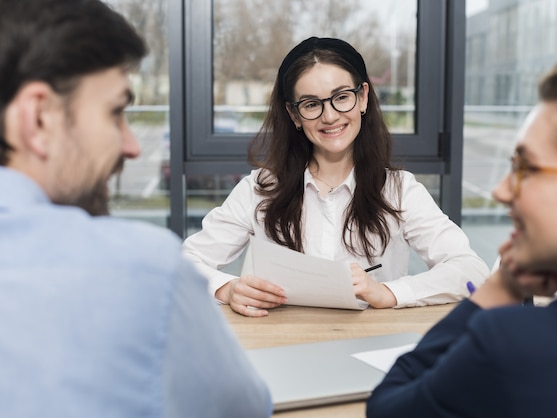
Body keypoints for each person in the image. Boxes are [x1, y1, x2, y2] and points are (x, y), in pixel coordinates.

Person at [0, 1, 271, 417]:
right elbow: (244, 409)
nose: (132, 145)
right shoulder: (142, 269)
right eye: (116, 112)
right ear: (38, 118)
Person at [367, 48, 557, 418]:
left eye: (527, 169)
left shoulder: (516, 344)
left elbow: (388, 410)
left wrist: (499, 290)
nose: (501, 190)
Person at [183, 36, 489, 317]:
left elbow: (470, 269)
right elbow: (184, 263)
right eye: (312, 104)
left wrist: (388, 292)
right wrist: (227, 288)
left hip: (370, 349)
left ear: (364, 97)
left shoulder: (400, 191)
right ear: (294, 115)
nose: (329, 116)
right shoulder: (259, 189)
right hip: (281, 349)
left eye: (341, 97)